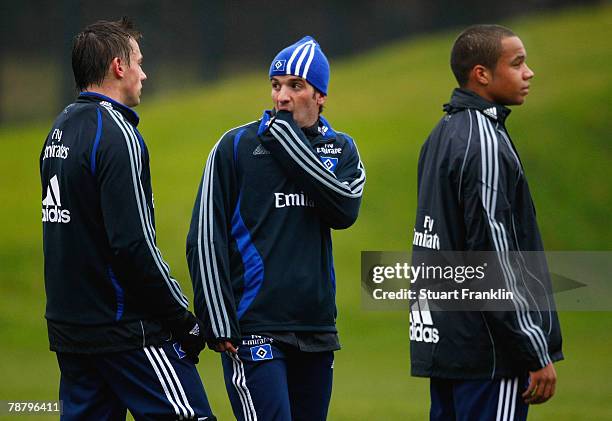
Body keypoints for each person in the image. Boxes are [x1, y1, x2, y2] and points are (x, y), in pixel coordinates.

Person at [40, 17, 216, 420]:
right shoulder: (118, 134)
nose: (144, 73)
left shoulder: (59, 131)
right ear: (119, 67)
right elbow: (133, 245)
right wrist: (182, 320)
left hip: (72, 332)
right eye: (138, 62)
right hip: (126, 332)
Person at [186, 36, 365, 421]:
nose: (281, 96)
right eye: (276, 85)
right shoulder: (235, 147)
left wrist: (290, 143)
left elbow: (344, 210)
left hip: (317, 329)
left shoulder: (342, 149)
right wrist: (217, 319)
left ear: (321, 96)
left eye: (296, 86)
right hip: (255, 331)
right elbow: (204, 237)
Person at [410, 25, 563, 420]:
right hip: (491, 355)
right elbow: (495, 256)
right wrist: (534, 348)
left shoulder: (441, 133)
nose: (529, 73)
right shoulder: (484, 142)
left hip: (448, 348)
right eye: (517, 63)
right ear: (481, 74)